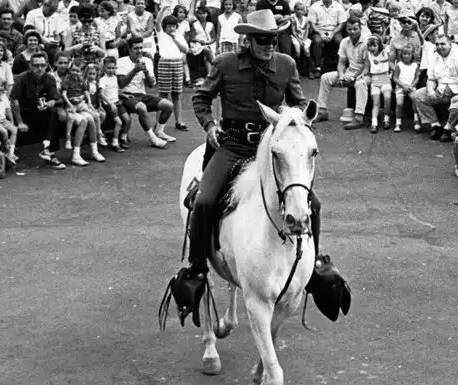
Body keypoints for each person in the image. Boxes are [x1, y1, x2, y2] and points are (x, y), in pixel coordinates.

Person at [190, 9, 347, 315]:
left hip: (271, 148)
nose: (269, 44)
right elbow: (201, 98)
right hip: (233, 145)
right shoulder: (225, 64)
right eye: (263, 39)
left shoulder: (286, 65)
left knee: (313, 204)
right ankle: (196, 268)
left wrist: (296, 119)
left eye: (273, 38)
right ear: (248, 40)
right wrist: (209, 125)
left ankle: (311, 267)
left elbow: (300, 103)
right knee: (205, 201)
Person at [117, 36, 175, 148]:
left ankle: (159, 131)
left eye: (140, 48)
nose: (139, 51)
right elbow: (121, 84)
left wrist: (146, 72)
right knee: (142, 108)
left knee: (168, 105)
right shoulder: (121, 61)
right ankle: (153, 138)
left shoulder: (147, 60)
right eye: (135, 48)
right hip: (126, 95)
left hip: (141, 95)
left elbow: (151, 85)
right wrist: (135, 70)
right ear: (129, 49)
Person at [12, 52, 66, 170]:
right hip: (24, 112)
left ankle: (49, 151)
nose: (40, 68)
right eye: (36, 65)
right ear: (30, 66)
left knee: (54, 113)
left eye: (42, 65)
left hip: (42, 109)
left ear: (46, 65)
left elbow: (55, 97)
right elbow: (14, 100)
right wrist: (20, 122)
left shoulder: (50, 78)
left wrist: (52, 102)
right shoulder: (22, 78)